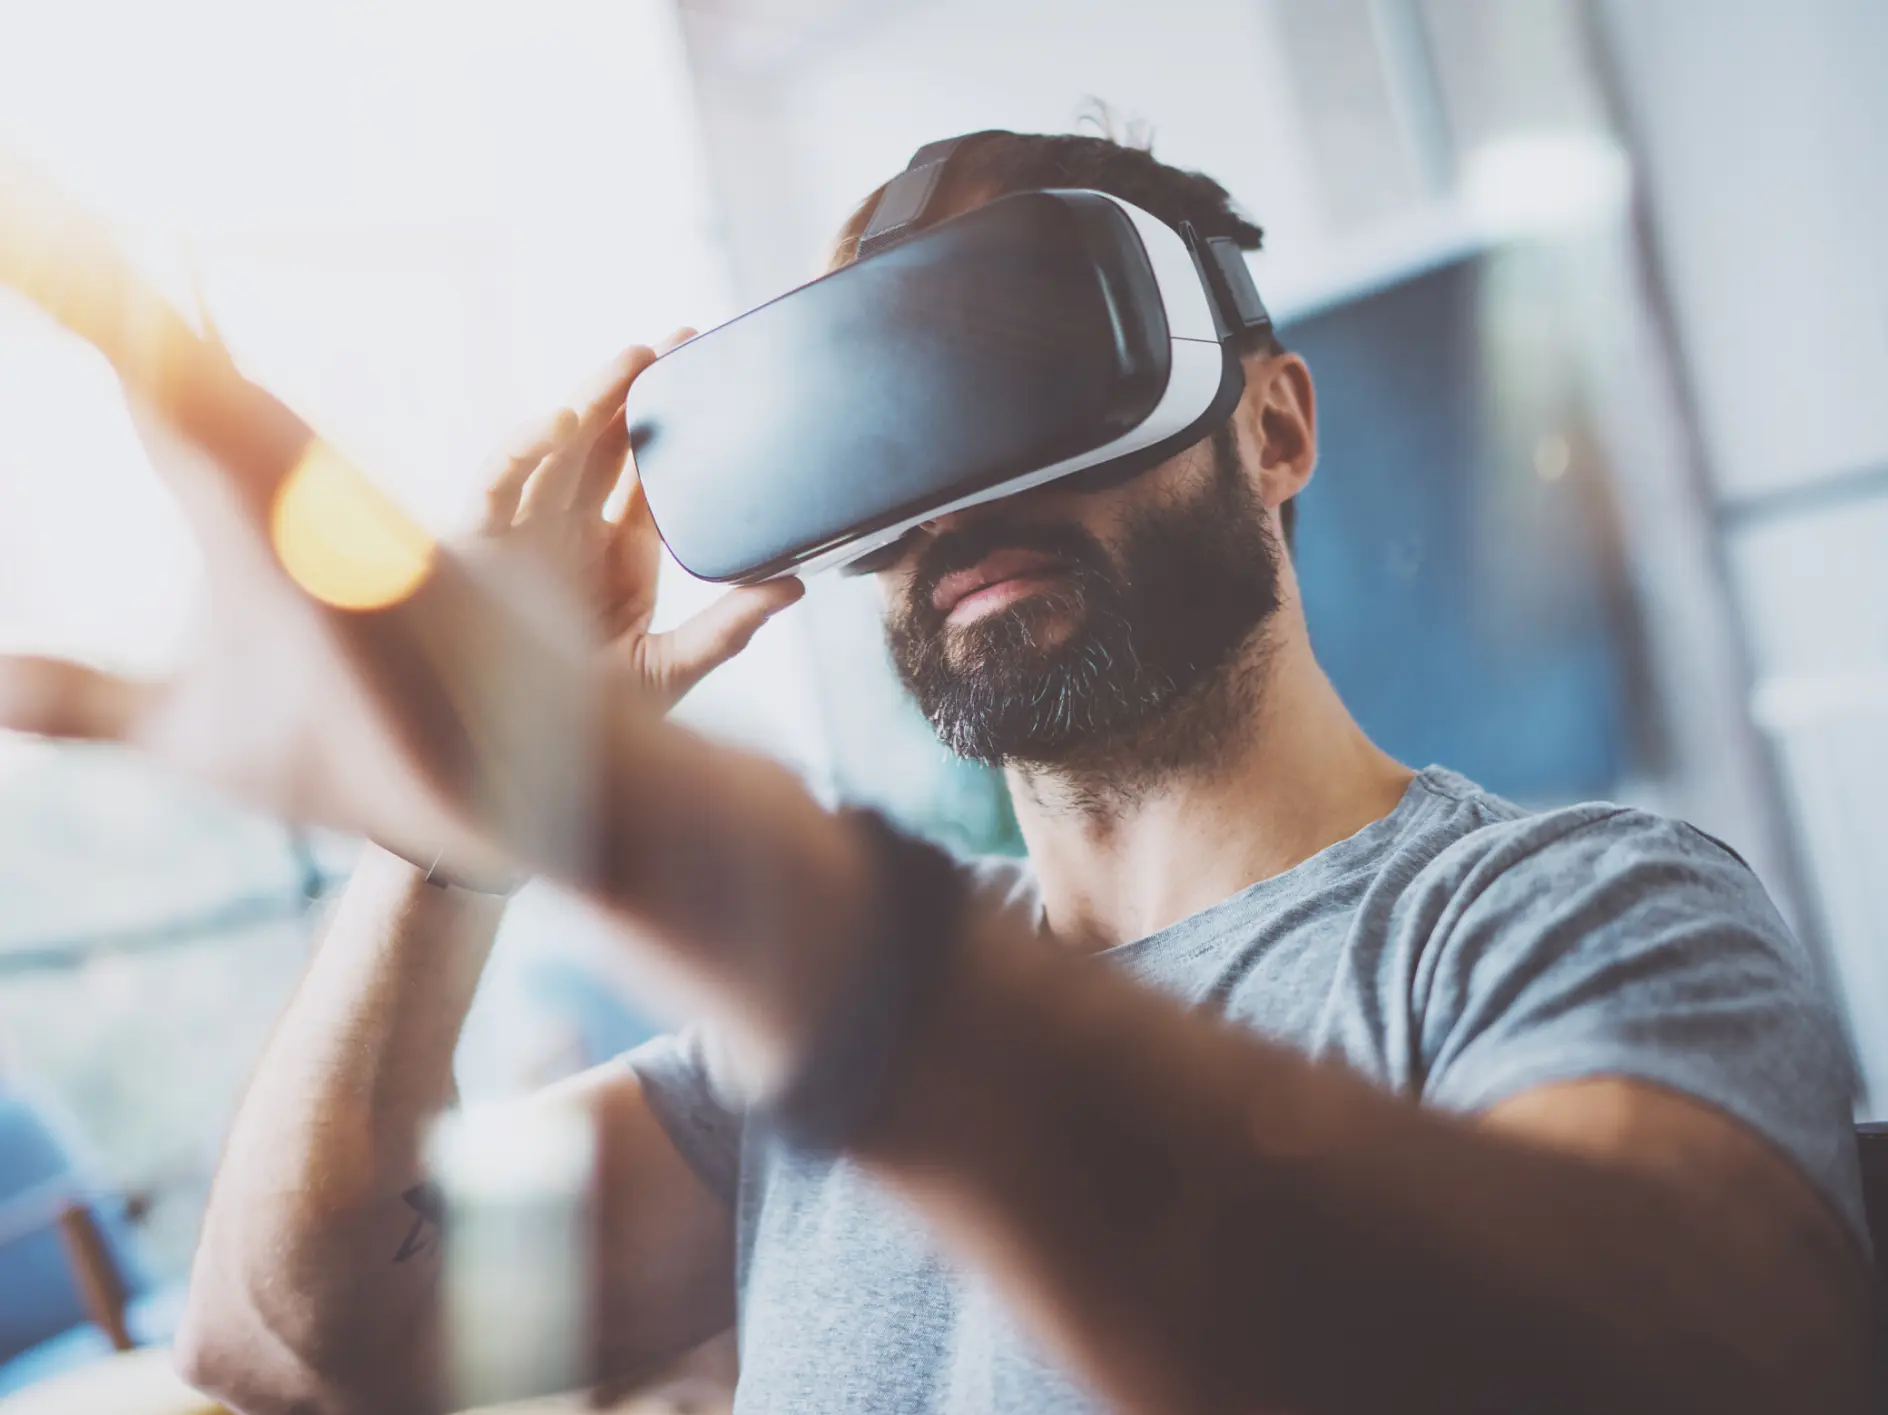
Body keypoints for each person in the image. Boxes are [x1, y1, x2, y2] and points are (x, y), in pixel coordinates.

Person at [0, 131, 1874, 1415]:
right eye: (881, 426)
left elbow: (1685, 1361)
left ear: (1275, 424)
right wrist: (463, 827)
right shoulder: (762, 1090)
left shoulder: (1559, 922)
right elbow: (293, 1336)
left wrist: (706, 868)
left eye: (1025, 365)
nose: (953, 489)